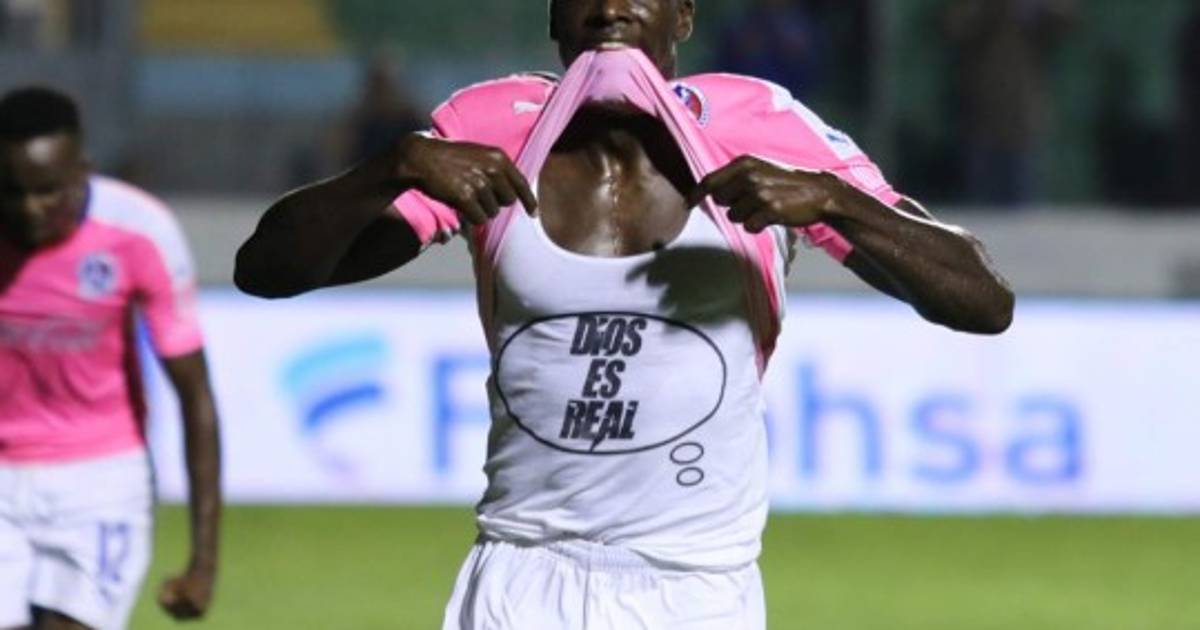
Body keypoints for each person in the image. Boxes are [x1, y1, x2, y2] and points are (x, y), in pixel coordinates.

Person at [235, 1, 1013, 628]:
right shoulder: (493, 127)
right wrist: (393, 166)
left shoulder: (764, 125)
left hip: (695, 585)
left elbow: (982, 300)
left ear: (684, 15)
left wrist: (836, 201)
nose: (610, 9)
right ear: (553, 14)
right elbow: (266, 270)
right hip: (519, 578)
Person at [0, 87, 220, 630]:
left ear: (82, 173)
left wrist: (204, 561)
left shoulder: (140, 232)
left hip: (100, 482)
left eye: (48, 191)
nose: (30, 208)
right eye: (12, 192)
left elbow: (195, 396)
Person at [943, 0, 1075, 206]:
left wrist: (1033, 9)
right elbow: (955, 25)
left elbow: (1066, 21)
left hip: (1023, 115)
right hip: (981, 111)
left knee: (1023, 203)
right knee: (979, 206)